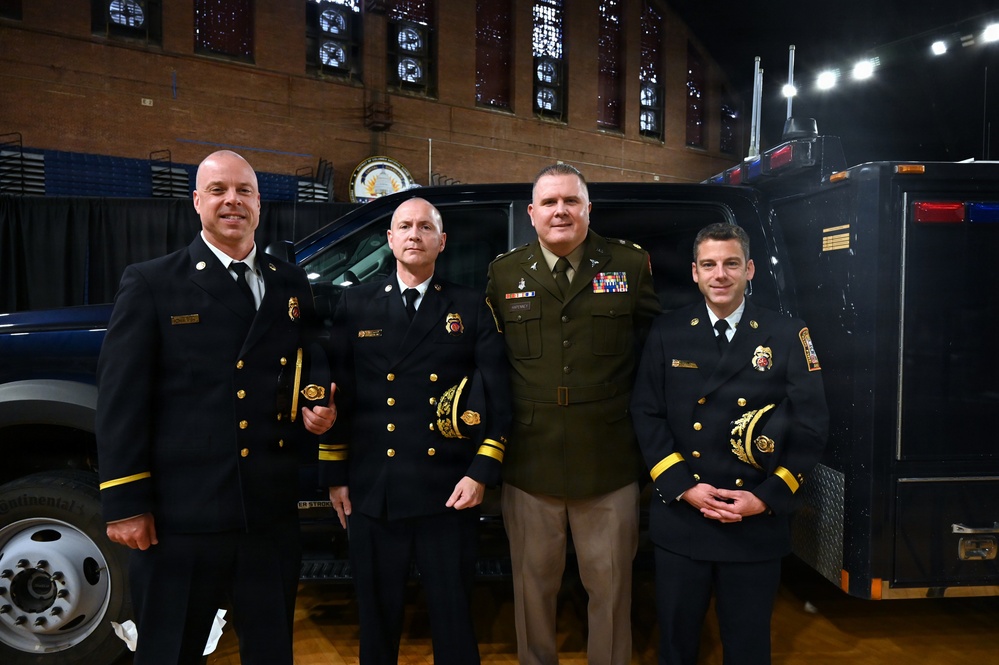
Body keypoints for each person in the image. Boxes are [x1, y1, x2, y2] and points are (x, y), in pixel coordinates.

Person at [95, 150, 336, 665]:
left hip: (267, 510)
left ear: (259, 204)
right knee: (169, 651)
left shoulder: (288, 280)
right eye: (220, 190)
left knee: (270, 650)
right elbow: (121, 398)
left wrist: (319, 400)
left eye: (244, 191)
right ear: (197, 202)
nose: (233, 201)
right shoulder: (153, 281)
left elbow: (313, 350)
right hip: (182, 515)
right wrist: (125, 502)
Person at [320, 197, 511, 665]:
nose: (414, 235)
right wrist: (336, 474)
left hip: (446, 491)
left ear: (441, 242)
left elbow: (499, 395)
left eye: (425, 227)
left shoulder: (469, 305)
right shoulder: (356, 302)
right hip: (373, 489)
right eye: (404, 226)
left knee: (453, 618)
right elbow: (336, 394)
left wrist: (481, 471)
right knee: (376, 620)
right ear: (388, 239)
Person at [484, 164, 661, 665]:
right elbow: (491, 361)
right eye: (550, 202)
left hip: (608, 458)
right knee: (531, 591)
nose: (560, 210)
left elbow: (652, 356)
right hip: (529, 458)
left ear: (588, 209)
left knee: (611, 591)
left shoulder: (628, 264)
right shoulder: (504, 272)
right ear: (532, 213)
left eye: (571, 201)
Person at [630, 222, 829, 665]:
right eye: (709, 265)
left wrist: (765, 498)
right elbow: (646, 413)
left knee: (747, 645)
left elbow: (811, 427)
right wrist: (683, 486)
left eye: (731, 264)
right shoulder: (668, 332)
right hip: (685, 515)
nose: (720, 274)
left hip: (753, 521)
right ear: (695, 273)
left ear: (750, 269)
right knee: (677, 645)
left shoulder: (786, 334)